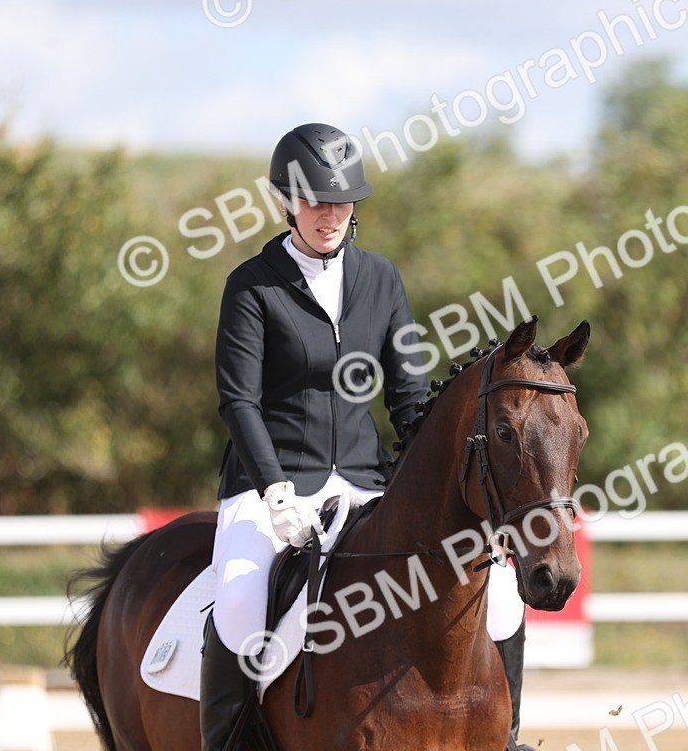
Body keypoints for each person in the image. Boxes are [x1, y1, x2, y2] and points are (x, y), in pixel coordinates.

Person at [202, 123, 533, 751]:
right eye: (315, 201)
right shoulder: (252, 285)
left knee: (506, 595)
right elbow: (238, 401)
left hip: (365, 483)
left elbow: (411, 400)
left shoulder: (381, 280)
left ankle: (506, 736)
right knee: (242, 605)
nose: (329, 215)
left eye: (341, 201)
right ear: (286, 201)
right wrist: (274, 491)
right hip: (269, 488)